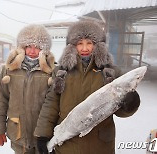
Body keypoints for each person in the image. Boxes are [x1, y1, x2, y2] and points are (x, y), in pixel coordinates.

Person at [35, 20, 141, 154]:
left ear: (98, 45)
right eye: (80, 43)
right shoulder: (61, 72)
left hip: (100, 145)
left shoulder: (111, 73)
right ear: (72, 46)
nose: (84, 48)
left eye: (89, 43)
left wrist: (130, 104)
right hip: (68, 144)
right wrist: (43, 135)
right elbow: (51, 104)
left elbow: (118, 110)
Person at [0, 24, 55, 154]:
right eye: (28, 46)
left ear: (44, 49)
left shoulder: (52, 72)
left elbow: (56, 105)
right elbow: (0, 100)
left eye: (37, 47)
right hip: (18, 134)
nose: (32, 51)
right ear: (22, 47)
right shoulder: (9, 70)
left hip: (43, 135)